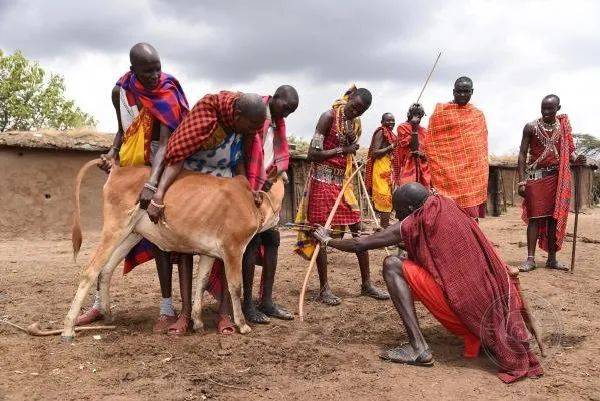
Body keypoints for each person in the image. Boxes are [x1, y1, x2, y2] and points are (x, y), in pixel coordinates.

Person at [313, 183, 543, 383]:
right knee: (406, 261)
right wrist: (389, 233)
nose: (398, 218)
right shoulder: (446, 205)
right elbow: (429, 247)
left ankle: (417, 348)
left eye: (400, 212)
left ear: (412, 209)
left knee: (392, 264)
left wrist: (327, 240)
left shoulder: (417, 219)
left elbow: (360, 245)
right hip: (489, 315)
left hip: (466, 317)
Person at [76, 43, 190, 334]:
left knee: (161, 239)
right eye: (148, 71)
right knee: (111, 238)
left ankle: (166, 308)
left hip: (159, 168)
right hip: (129, 168)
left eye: (158, 68)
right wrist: (113, 154)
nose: (155, 75)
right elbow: (122, 131)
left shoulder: (168, 90)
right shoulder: (121, 92)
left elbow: (166, 143)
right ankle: (100, 304)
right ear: (133, 71)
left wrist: (152, 184)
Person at [145, 90, 267, 334]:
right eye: (252, 125)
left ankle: (224, 313)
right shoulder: (206, 114)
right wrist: (158, 193)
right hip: (192, 184)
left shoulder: (242, 126)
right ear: (238, 113)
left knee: (228, 249)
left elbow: (239, 159)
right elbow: (177, 154)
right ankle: (186, 313)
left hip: (224, 186)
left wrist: (246, 188)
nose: (255, 131)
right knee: (185, 248)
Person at [295, 86, 389, 305]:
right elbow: (312, 154)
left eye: (362, 111)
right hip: (321, 181)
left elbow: (349, 147)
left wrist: (350, 147)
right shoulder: (328, 117)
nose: (356, 112)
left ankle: (366, 284)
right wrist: (341, 150)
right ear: (350, 98)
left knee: (357, 229)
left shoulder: (354, 124)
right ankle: (324, 288)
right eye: (355, 106)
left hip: (342, 183)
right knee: (320, 232)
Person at [242, 85, 299, 324]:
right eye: (285, 108)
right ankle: (246, 304)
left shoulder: (277, 124)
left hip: (265, 186)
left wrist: (273, 175)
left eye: (290, 112)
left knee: (272, 239)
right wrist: (254, 182)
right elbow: (243, 152)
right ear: (274, 98)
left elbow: (277, 157)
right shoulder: (255, 113)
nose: (286, 114)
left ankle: (266, 300)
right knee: (251, 241)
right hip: (246, 184)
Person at [517, 95, 584, 272]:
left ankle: (552, 259)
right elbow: (522, 154)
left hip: (557, 179)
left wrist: (578, 159)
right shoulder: (530, 127)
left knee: (554, 218)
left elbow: (569, 152)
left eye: (550, 109)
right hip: (536, 178)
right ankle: (530, 259)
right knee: (534, 218)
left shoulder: (563, 128)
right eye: (543, 109)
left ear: (558, 108)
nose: (546, 113)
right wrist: (522, 181)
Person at [426, 76, 488, 218]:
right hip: (447, 175)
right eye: (459, 91)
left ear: (472, 92)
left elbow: (479, 149)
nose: (462, 95)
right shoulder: (441, 113)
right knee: (447, 215)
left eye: (466, 92)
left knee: (471, 217)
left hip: (470, 176)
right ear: (453, 91)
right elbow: (432, 145)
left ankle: (472, 238)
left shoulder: (477, 116)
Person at [365, 113, 398, 228]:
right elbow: (374, 153)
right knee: (385, 199)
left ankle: (384, 228)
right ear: (382, 122)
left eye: (393, 121)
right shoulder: (381, 132)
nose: (391, 123)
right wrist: (391, 147)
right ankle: (384, 230)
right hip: (380, 170)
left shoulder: (391, 134)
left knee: (389, 199)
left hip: (388, 169)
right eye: (388, 121)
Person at [395, 103, 430, 188]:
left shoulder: (424, 131)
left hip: (423, 168)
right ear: (409, 115)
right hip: (407, 167)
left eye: (419, 115)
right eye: (414, 114)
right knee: (408, 193)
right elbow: (414, 148)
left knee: (424, 195)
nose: (417, 117)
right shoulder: (402, 127)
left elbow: (427, 151)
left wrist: (422, 155)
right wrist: (414, 128)